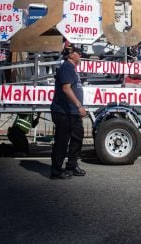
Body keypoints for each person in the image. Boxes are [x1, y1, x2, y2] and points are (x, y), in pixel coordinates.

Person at [50, 44, 87, 179]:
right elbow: (66, 89)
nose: (81, 55)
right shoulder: (66, 67)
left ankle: (72, 165)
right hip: (63, 112)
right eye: (79, 52)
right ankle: (56, 170)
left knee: (78, 138)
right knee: (62, 141)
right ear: (71, 54)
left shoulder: (72, 69)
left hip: (73, 112)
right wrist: (79, 105)